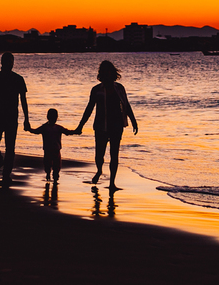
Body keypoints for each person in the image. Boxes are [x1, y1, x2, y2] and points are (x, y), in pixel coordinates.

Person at [75, 59, 138, 191]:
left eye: (109, 71)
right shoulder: (96, 90)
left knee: (114, 155)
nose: (107, 74)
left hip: (117, 125)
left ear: (113, 73)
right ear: (101, 74)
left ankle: (112, 183)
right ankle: (99, 171)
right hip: (100, 126)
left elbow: (126, 105)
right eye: (104, 72)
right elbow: (89, 108)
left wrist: (133, 121)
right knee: (99, 155)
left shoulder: (119, 88)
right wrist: (80, 126)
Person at [0, 52, 30, 182]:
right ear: (2, 62)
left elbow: (24, 100)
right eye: (7, 61)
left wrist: (26, 119)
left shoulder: (18, 79)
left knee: (10, 147)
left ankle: (6, 174)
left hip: (12, 117)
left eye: (11, 61)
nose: (9, 64)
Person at [27, 108, 77, 182]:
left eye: (55, 117)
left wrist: (76, 131)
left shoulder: (56, 127)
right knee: (48, 165)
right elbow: (35, 131)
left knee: (56, 166)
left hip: (56, 150)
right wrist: (29, 129)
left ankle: (54, 177)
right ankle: (49, 175)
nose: (54, 118)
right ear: (48, 117)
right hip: (49, 150)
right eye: (53, 117)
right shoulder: (46, 127)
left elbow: (67, 132)